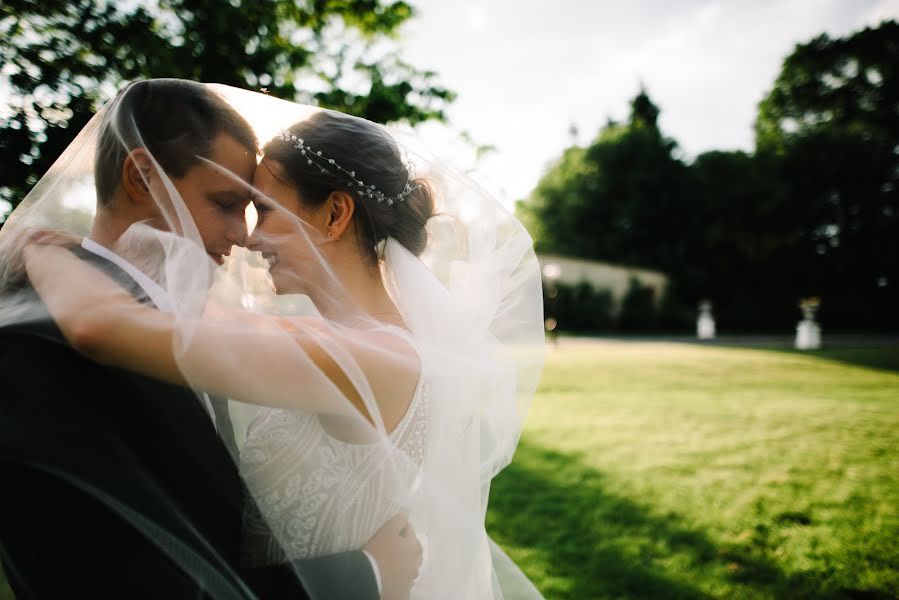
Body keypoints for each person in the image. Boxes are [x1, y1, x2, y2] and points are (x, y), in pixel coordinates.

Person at [6, 80, 546, 599]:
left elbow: (103, 327)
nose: (248, 237)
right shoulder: (318, 337)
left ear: (335, 214)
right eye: (233, 206)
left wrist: (41, 250)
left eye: (263, 209)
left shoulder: (374, 358)